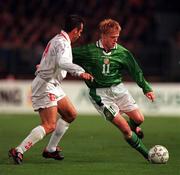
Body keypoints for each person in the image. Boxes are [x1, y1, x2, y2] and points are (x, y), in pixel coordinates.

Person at [8, 14, 93, 164]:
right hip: (45, 85)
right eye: (80, 31)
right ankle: (19, 150)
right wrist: (79, 71)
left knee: (70, 114)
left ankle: (50, 150)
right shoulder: (63, 43)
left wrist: (44, 67)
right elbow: (62, 61)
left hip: (52, 83)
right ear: (75, 30)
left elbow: (50, 59)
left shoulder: (57, 39)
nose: (80, 34)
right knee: (49, 125)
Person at [71, 19, 155, 161]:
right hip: (100, 95)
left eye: (117, 37)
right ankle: (149, 155)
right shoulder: (89, 51)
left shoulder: (122, 53)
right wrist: (46, 63)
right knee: (125, 130)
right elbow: (65, 56)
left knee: (139, 119)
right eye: (112, 37)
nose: (115, 40)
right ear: (103, 36)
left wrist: (146, 88)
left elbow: (136, 71)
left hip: (119, 89)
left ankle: (134, 128)